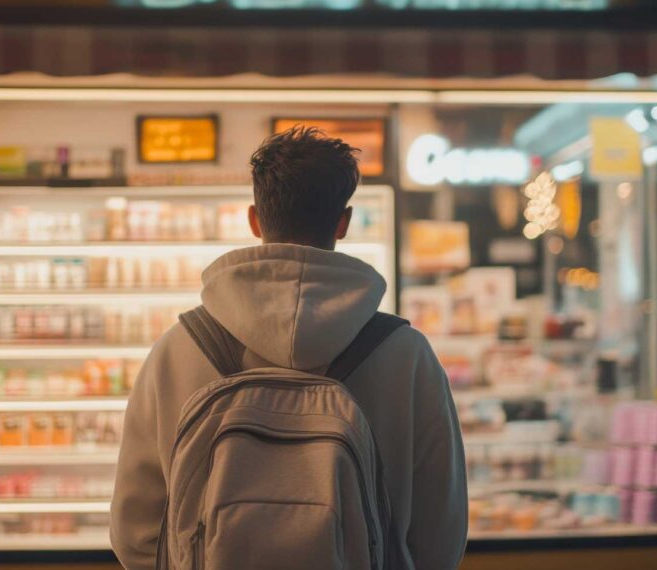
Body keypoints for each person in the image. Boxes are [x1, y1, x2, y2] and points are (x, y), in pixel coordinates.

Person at [110, 126, 468, 569]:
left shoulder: (179, 348)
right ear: (344, 221)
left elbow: (135, 529)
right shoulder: (407, 355)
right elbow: (441, 531)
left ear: (255, 219)